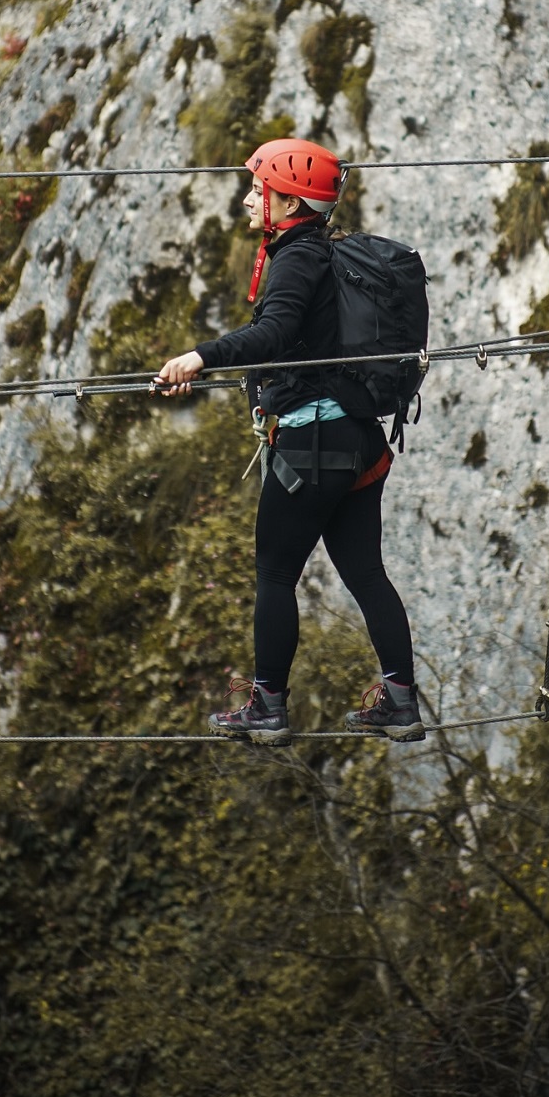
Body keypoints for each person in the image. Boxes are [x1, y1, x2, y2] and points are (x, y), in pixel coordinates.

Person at [156, 138, 424, 746]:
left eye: (259, 190)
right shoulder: (317, 254)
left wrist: (200, 357)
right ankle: (401, 701)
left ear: (289, 201)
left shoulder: (297, 259)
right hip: (357, 440)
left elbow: (274, 333)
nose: (250, 199)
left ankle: (268, 706)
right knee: (364, 571)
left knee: (275, 572)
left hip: (313, 440)